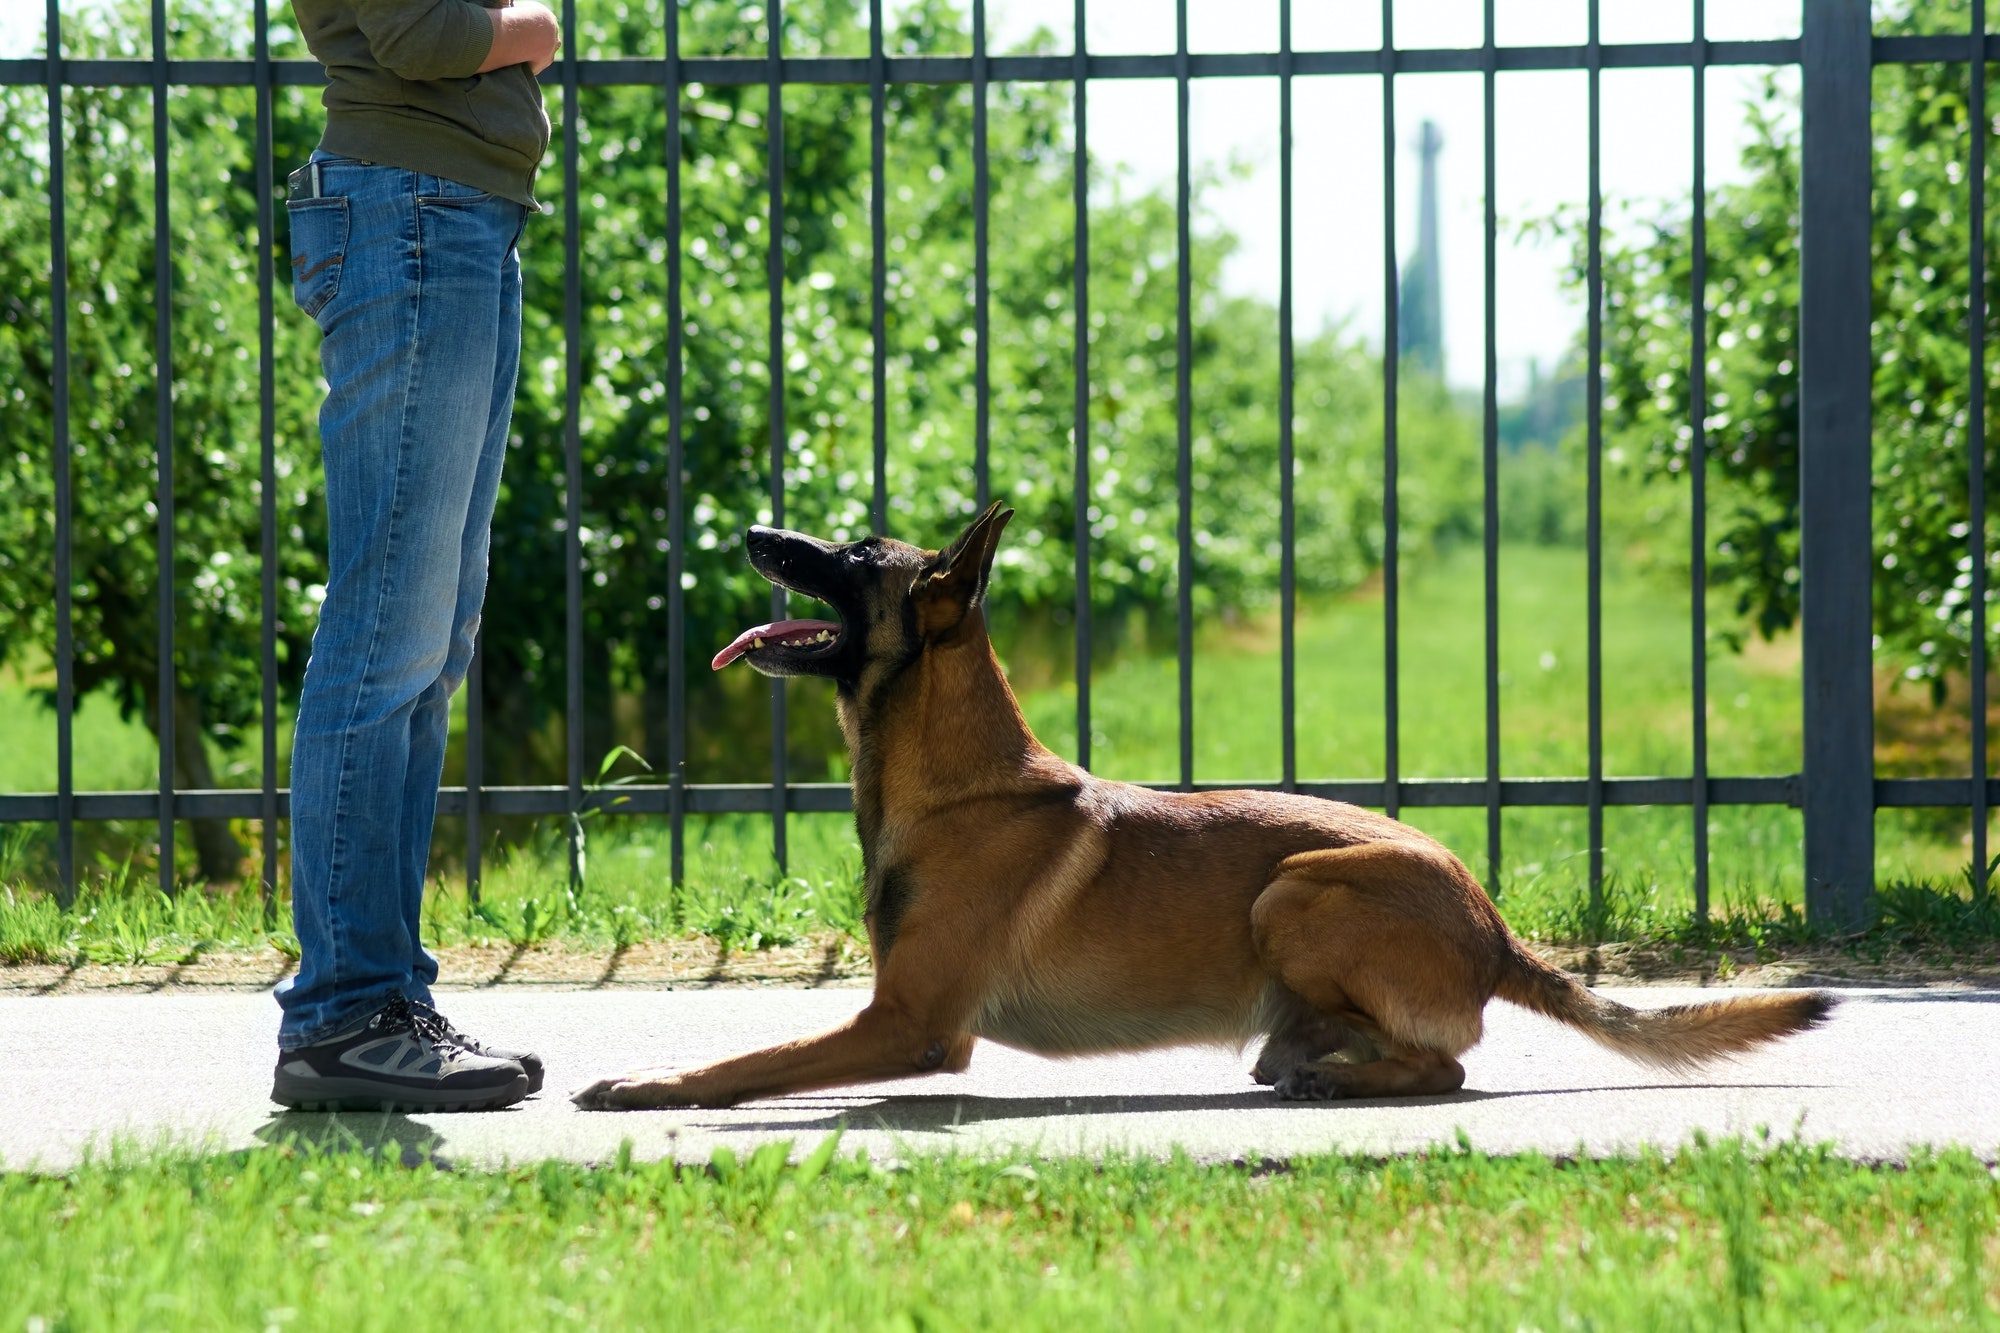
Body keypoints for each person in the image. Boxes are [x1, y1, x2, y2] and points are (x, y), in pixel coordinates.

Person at [271, 0, 560, 1111]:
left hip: (454, 216)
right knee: (385, 631)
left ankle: (382, 1002)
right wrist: (535, 24)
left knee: (426, 641)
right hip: (413, 216)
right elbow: (423, 37)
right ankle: (345, 1009)